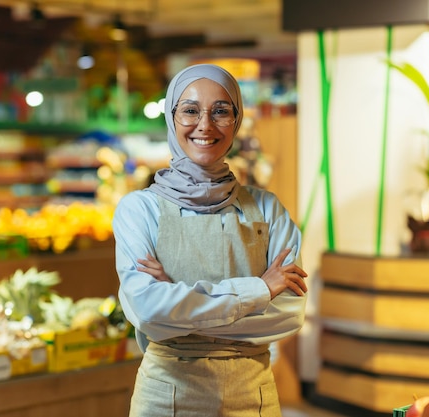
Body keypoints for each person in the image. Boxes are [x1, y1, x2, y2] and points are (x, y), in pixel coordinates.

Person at [112, 63, 308, 417]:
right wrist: (258, 291)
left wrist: (177, 298)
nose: (205, 125)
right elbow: (147, 311)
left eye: (221, 111)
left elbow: (288, 315)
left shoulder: (267, 208)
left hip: (254, 397)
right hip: (167, 395)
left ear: (237, 119)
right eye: (190, 110)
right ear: (172, 118)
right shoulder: (139, 209)